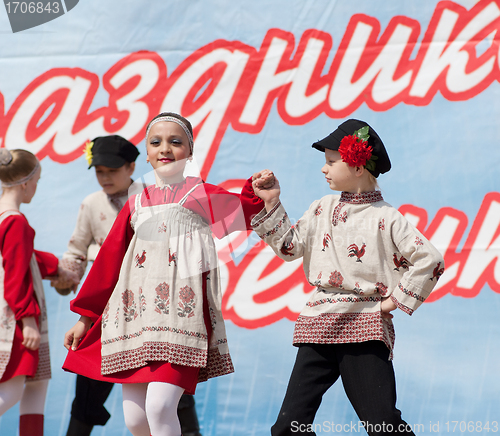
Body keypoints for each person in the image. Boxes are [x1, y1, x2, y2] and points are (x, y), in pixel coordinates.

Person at [62, 112, 273, 436]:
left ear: (189, 151)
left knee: (160, 408)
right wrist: (85, 317)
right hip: (131, 322)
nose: (165, 148)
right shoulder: (137, 202)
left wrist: (258, 190)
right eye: (156, 141)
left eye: (176, 141)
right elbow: (109, 264)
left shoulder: (200, 195)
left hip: (180, 322)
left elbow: (246, 211)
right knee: (135, 419)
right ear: (146, 153)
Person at [251, 119, 445, 436]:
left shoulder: (387, 217)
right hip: (319, 323)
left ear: (356, 166)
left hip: (365, 326)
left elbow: (431, 259)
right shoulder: (320, 208)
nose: (324, 169)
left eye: (331, 161)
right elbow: (289, 247)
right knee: (288, 428)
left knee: (382, 423)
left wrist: (393, 302)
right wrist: (271, 201)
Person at [51, 135, 204, 436]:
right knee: (89, 388)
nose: (105, 177)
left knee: (166, 390)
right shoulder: (92, 204)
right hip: (105, 307)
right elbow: (77, 250)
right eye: (99, 171)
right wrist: (66, 273)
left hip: (150, 306)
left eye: (112, 170)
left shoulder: (153, 196)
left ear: (132, 165)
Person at [0, 148, 78, 436]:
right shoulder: (15, 222)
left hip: (16, 314)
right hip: (15, 319)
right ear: (24, 182)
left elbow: (25, 257)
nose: (36, 187)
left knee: (35, 386)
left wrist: (58, 267)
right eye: (37, 181)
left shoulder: (5, 219)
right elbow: (15, 272)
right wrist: (27, 319)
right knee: (12, 392)